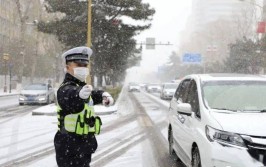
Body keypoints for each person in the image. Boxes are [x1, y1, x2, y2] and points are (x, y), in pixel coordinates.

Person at [54, 46, 114, 167]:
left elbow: (90, 94)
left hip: (83, 145)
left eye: (85, 65)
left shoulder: (82, 87)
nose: (83, 68)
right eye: (78, 65)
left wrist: (103, 95)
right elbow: (71, 95)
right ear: (67, 67)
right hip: (69, 146)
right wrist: (78, 95)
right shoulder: (65, 88)